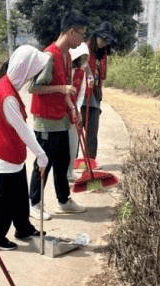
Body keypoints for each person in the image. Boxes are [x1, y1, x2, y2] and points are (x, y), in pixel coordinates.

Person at [0, 45, 51, 250]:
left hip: (10, 151)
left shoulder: (5, 85)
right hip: (4, 154)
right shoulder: (7, 96)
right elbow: (24, 131)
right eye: (34, 70)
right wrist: (41, 156)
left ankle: (23, 227)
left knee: (20, 195)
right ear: (25, 69)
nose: (35, 74)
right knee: (6, 199)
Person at [27, 10, 90, 221]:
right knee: (44, 161)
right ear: (71, 31)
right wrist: (62, 89)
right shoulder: (48, 55)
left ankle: (64, 200)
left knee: (63, 161)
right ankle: (34, 203)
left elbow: (65, 88)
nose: (82, 39)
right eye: (81, 34)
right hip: (46, 120)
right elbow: (34, 88)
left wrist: (73, 109)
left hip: (61, 117)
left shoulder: (66, 55)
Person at [81, 21, 114, 162]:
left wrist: (99, 94)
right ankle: (73, 162)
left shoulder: (103, 54)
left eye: (107, 40)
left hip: (94, 96)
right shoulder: (83, 49)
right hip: (81, 95)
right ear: (96, 37)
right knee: (76, 132)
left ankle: (90, 161)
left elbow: (102, 77)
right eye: (103, 39)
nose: (104, 42)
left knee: (92, 131)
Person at [67, 42, 91, 183]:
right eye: (80, 57)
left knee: (74, 143)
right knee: (63, 144)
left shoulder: (81, 72)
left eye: (84, 57)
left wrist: (77, 108)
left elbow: (81, 92)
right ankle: (62, 173)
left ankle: (70, 173)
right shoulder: (66, 70)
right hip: (62, 111)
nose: (82, 60)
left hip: (74, 109)